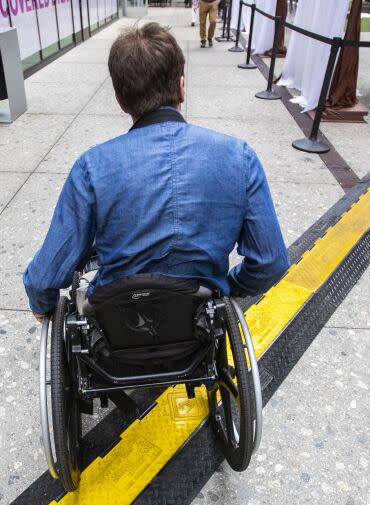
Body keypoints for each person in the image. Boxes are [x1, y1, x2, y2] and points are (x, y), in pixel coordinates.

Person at [24, 23, 288, 321]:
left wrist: (42, 305)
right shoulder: (239, 157)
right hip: (199, 320)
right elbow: (271, 262)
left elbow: (44, 277)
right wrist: (229, 288)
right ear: (181, 87)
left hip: (117, 328)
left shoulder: (92, 167)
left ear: (120, 99)